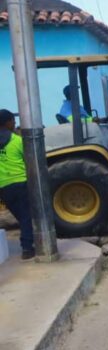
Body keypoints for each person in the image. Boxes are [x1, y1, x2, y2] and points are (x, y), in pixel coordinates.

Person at [0, 109, 34, 260]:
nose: (15, 123)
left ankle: (29, 239)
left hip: (3, 188)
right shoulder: (17, 140)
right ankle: (27, 248)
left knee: (22, 217)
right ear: (7, 122)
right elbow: (30, 160)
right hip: (20, 183)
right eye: (13, 121)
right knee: (26, 217)